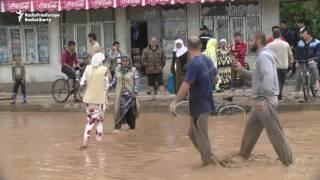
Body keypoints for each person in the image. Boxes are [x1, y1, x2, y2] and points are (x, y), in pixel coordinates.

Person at [232, 32, 293, 166]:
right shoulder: (262, 56)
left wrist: (263, 98)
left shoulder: (263, 56)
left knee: (275, 133)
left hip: (265, 100)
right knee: (250, 129)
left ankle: (288, 162)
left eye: (251, 39)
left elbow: (268, 78)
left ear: (259, 41)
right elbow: (256, 76)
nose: (249, 42)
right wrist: (241, 70)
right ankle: (243, 156)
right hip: (261, 100)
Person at [169, 36, 221, 167]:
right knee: (192, 134)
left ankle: (209, 165)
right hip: (205, 102)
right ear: (200, 46)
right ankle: (208, 156)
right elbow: (216, 78)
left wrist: (175, 101)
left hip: (199, 105)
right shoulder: (207, 60)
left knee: (202, 137)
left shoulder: (193, 64)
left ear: (188, 47)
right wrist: (207, 86)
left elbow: (186, 85)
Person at [79, 53, 109, 151]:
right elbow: (107, 85)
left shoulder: (87, 68)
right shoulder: (104, 70)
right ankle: (98, 145)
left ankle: (85, 142)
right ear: (101, 61)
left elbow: (82, 83)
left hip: (88, 100)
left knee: (90, 121)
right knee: (99, 121)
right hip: (100, 100)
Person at [110, 55, 140, 134]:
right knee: (118, 110)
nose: (125, 62)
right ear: (121, 62)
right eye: (123, 61)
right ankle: (117, 127)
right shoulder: (117, 69)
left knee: (130, 112)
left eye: (126, 61)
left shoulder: (133, 70)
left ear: (129, 62)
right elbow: (114, 81)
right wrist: (107, 87)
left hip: (130, 95)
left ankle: (131, 127)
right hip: (120, 95)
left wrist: (135, 92)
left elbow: (137, 82)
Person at [267, 26, 294, 101]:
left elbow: (267, 56)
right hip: (284, 66)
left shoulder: (269, 45)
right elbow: (290, 55)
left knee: (277, 81)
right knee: (282, 81)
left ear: (273, 35)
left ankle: (278, 95)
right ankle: (279, 95)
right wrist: (291, 63)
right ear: (280, 35)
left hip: (274, 66)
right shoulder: (286, 44)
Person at [294, 29, 320, 99]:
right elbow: (296, 53)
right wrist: (296, 61)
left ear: (309, 34)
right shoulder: (300, 42)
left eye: (304, 34)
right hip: (302, 61)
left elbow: (318, 53)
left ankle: (317, 82)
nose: (303, 35)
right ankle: (297, 92)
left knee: (313, 67)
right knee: (298, 73)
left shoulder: (317, 42)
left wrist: (314, 59)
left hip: (312, 61)